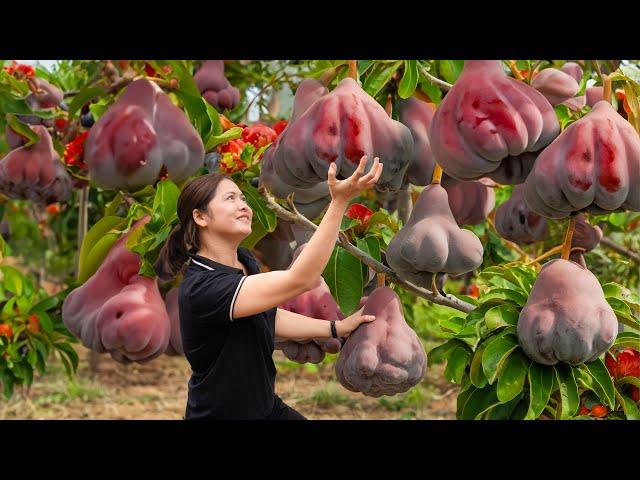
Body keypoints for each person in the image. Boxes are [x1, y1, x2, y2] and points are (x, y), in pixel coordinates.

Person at [154, 156, 384, 420]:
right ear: (200, 217)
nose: (244, 206)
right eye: (230, 199)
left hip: (265, 409)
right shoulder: (203, 286)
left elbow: (266, 316)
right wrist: (339, 202)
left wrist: (333, 328)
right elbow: (301, 279)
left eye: (243, 198)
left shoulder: (244, 260)